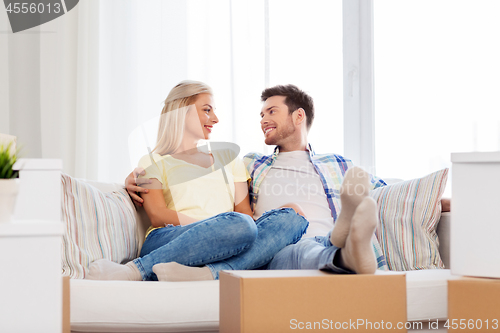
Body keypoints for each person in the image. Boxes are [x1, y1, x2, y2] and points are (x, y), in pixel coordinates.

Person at [127, 84, 450, 275]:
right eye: (261, 115)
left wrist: (438, 202)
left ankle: (345, 242)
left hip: (302, 236)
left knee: (296, 222)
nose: (263, 120)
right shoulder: (253, 163)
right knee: (284, 233)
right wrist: (136, 178)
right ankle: (343, 249)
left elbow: (388, 193)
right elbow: (238, 219)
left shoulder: (338, 164)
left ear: (298, 117)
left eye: (271, 112)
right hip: (266, 244)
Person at [87, 81, 308, 281]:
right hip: (171, 238)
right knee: (238, 225)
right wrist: (214, 225)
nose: (215, 118)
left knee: (294, 217)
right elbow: (157, 215)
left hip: (228, 238)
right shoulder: (151, 160)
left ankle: (208, 273)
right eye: (206, 110)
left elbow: (244, 214)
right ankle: (134, 270)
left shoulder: (229, 160)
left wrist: (226, 227)